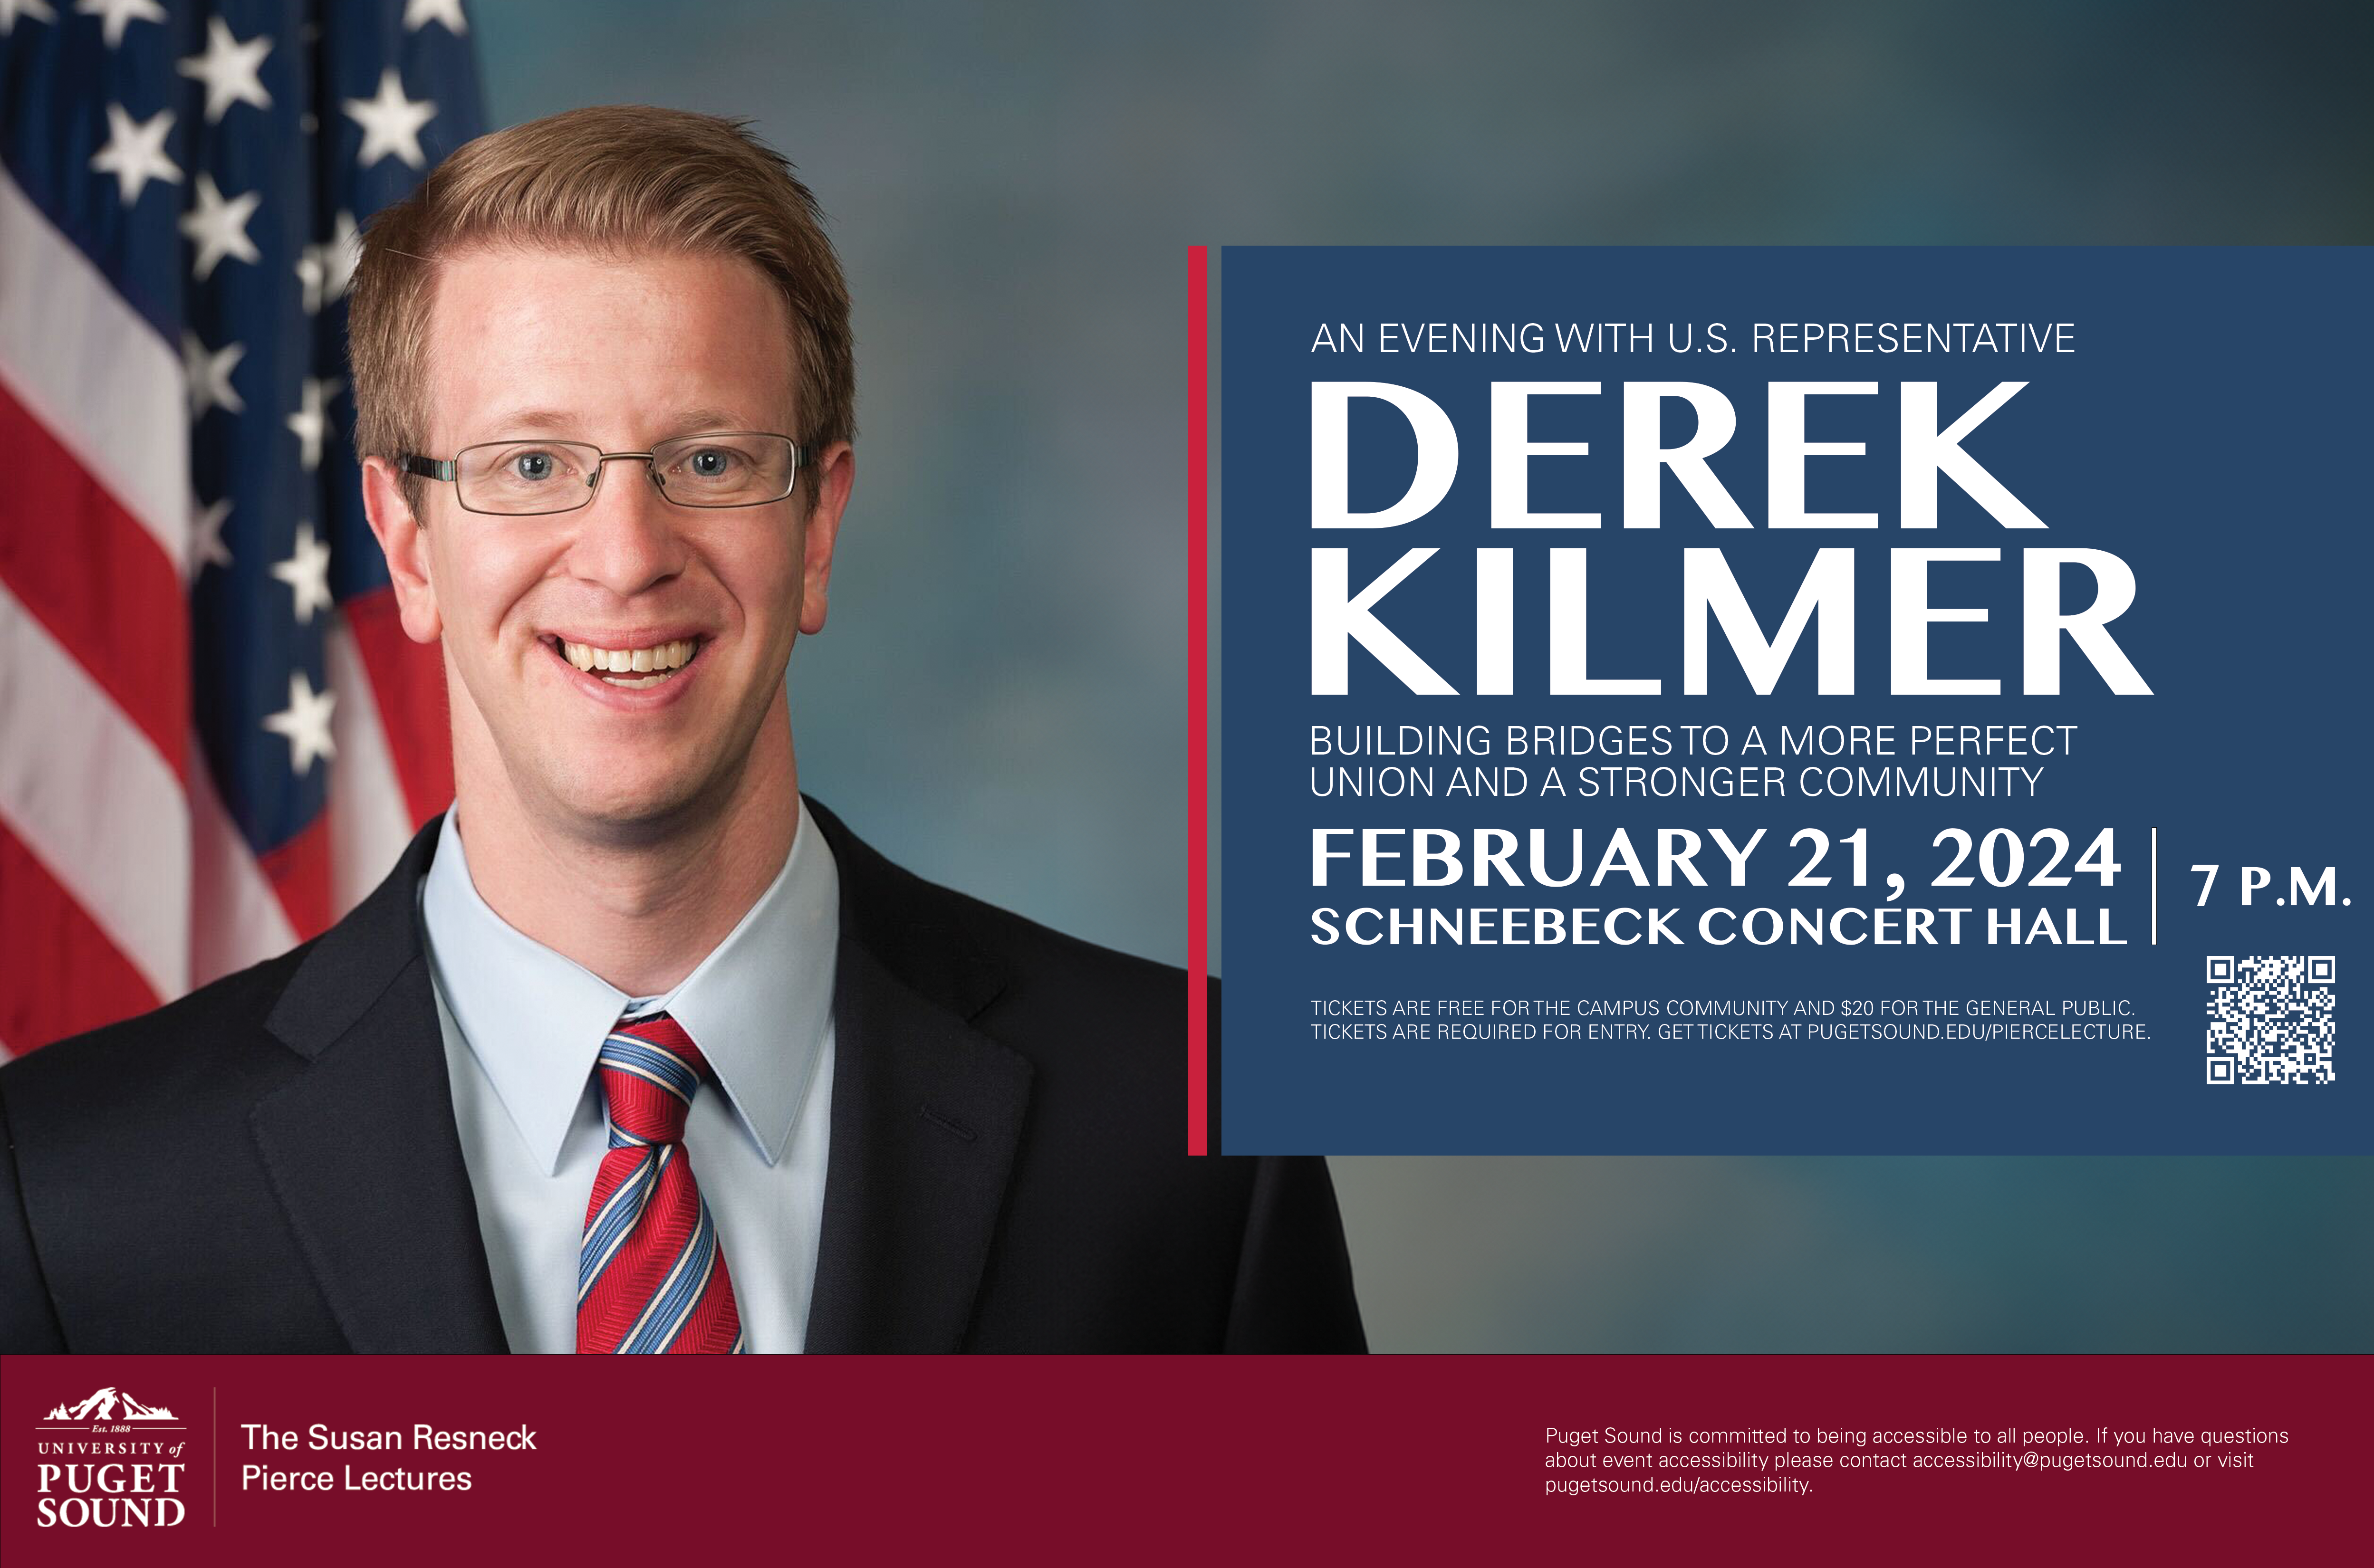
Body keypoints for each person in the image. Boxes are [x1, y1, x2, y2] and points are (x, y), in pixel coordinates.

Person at [0, 106, 1362, 1354]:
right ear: (408, 542)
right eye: (530, 466)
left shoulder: (1190, 1125)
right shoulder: (73, 1191)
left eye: (708, 460)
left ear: (816, 523)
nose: (626, 554)